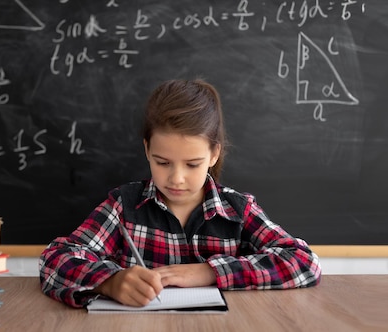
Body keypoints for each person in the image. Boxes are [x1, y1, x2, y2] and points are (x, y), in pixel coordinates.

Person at [39, 79, 321, 308]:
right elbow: (55, 259)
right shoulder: (124, 206)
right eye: (162, 162)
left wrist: (209, 272)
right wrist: (108, 281)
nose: (176, 178)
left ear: (214, 154)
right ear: (147, 149)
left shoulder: (238, 210)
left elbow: (304, 262)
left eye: (192, 164)